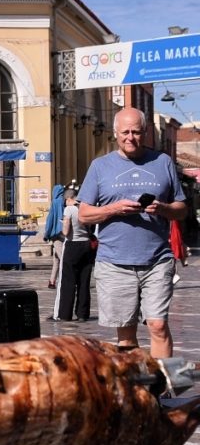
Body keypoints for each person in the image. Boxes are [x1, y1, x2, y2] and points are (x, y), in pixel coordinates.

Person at [77, 107, 187, 359]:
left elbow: (181, 210)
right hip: (114, 262)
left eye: (136, 132)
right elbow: (83, 215)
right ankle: (136, 381)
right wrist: (114, 209)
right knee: (126, 334)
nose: (130, 137)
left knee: (158, 325)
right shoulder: (100, 166)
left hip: (157, 260)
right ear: (115, 133)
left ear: (145, 133)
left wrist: (163, 208)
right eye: (125, 132)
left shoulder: (163, 162)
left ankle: (162, 380)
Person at [54, 188, 95, 323]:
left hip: (73, 245)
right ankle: (82, 314)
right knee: (84, 281)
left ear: (68, 199)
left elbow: (66, 231)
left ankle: (65, 314)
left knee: (68, 281)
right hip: (87, 245)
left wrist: (63, 226)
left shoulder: (69, 209)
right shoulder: (86, 208)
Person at [43, 183, 67, 289]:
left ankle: (67, 280)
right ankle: (52, 281)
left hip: (56, 234)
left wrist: (46, 234)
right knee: (57, 259)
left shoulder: (55, 202)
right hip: (65, 232)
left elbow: (50, 219)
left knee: (62, 258)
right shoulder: (65, 201)